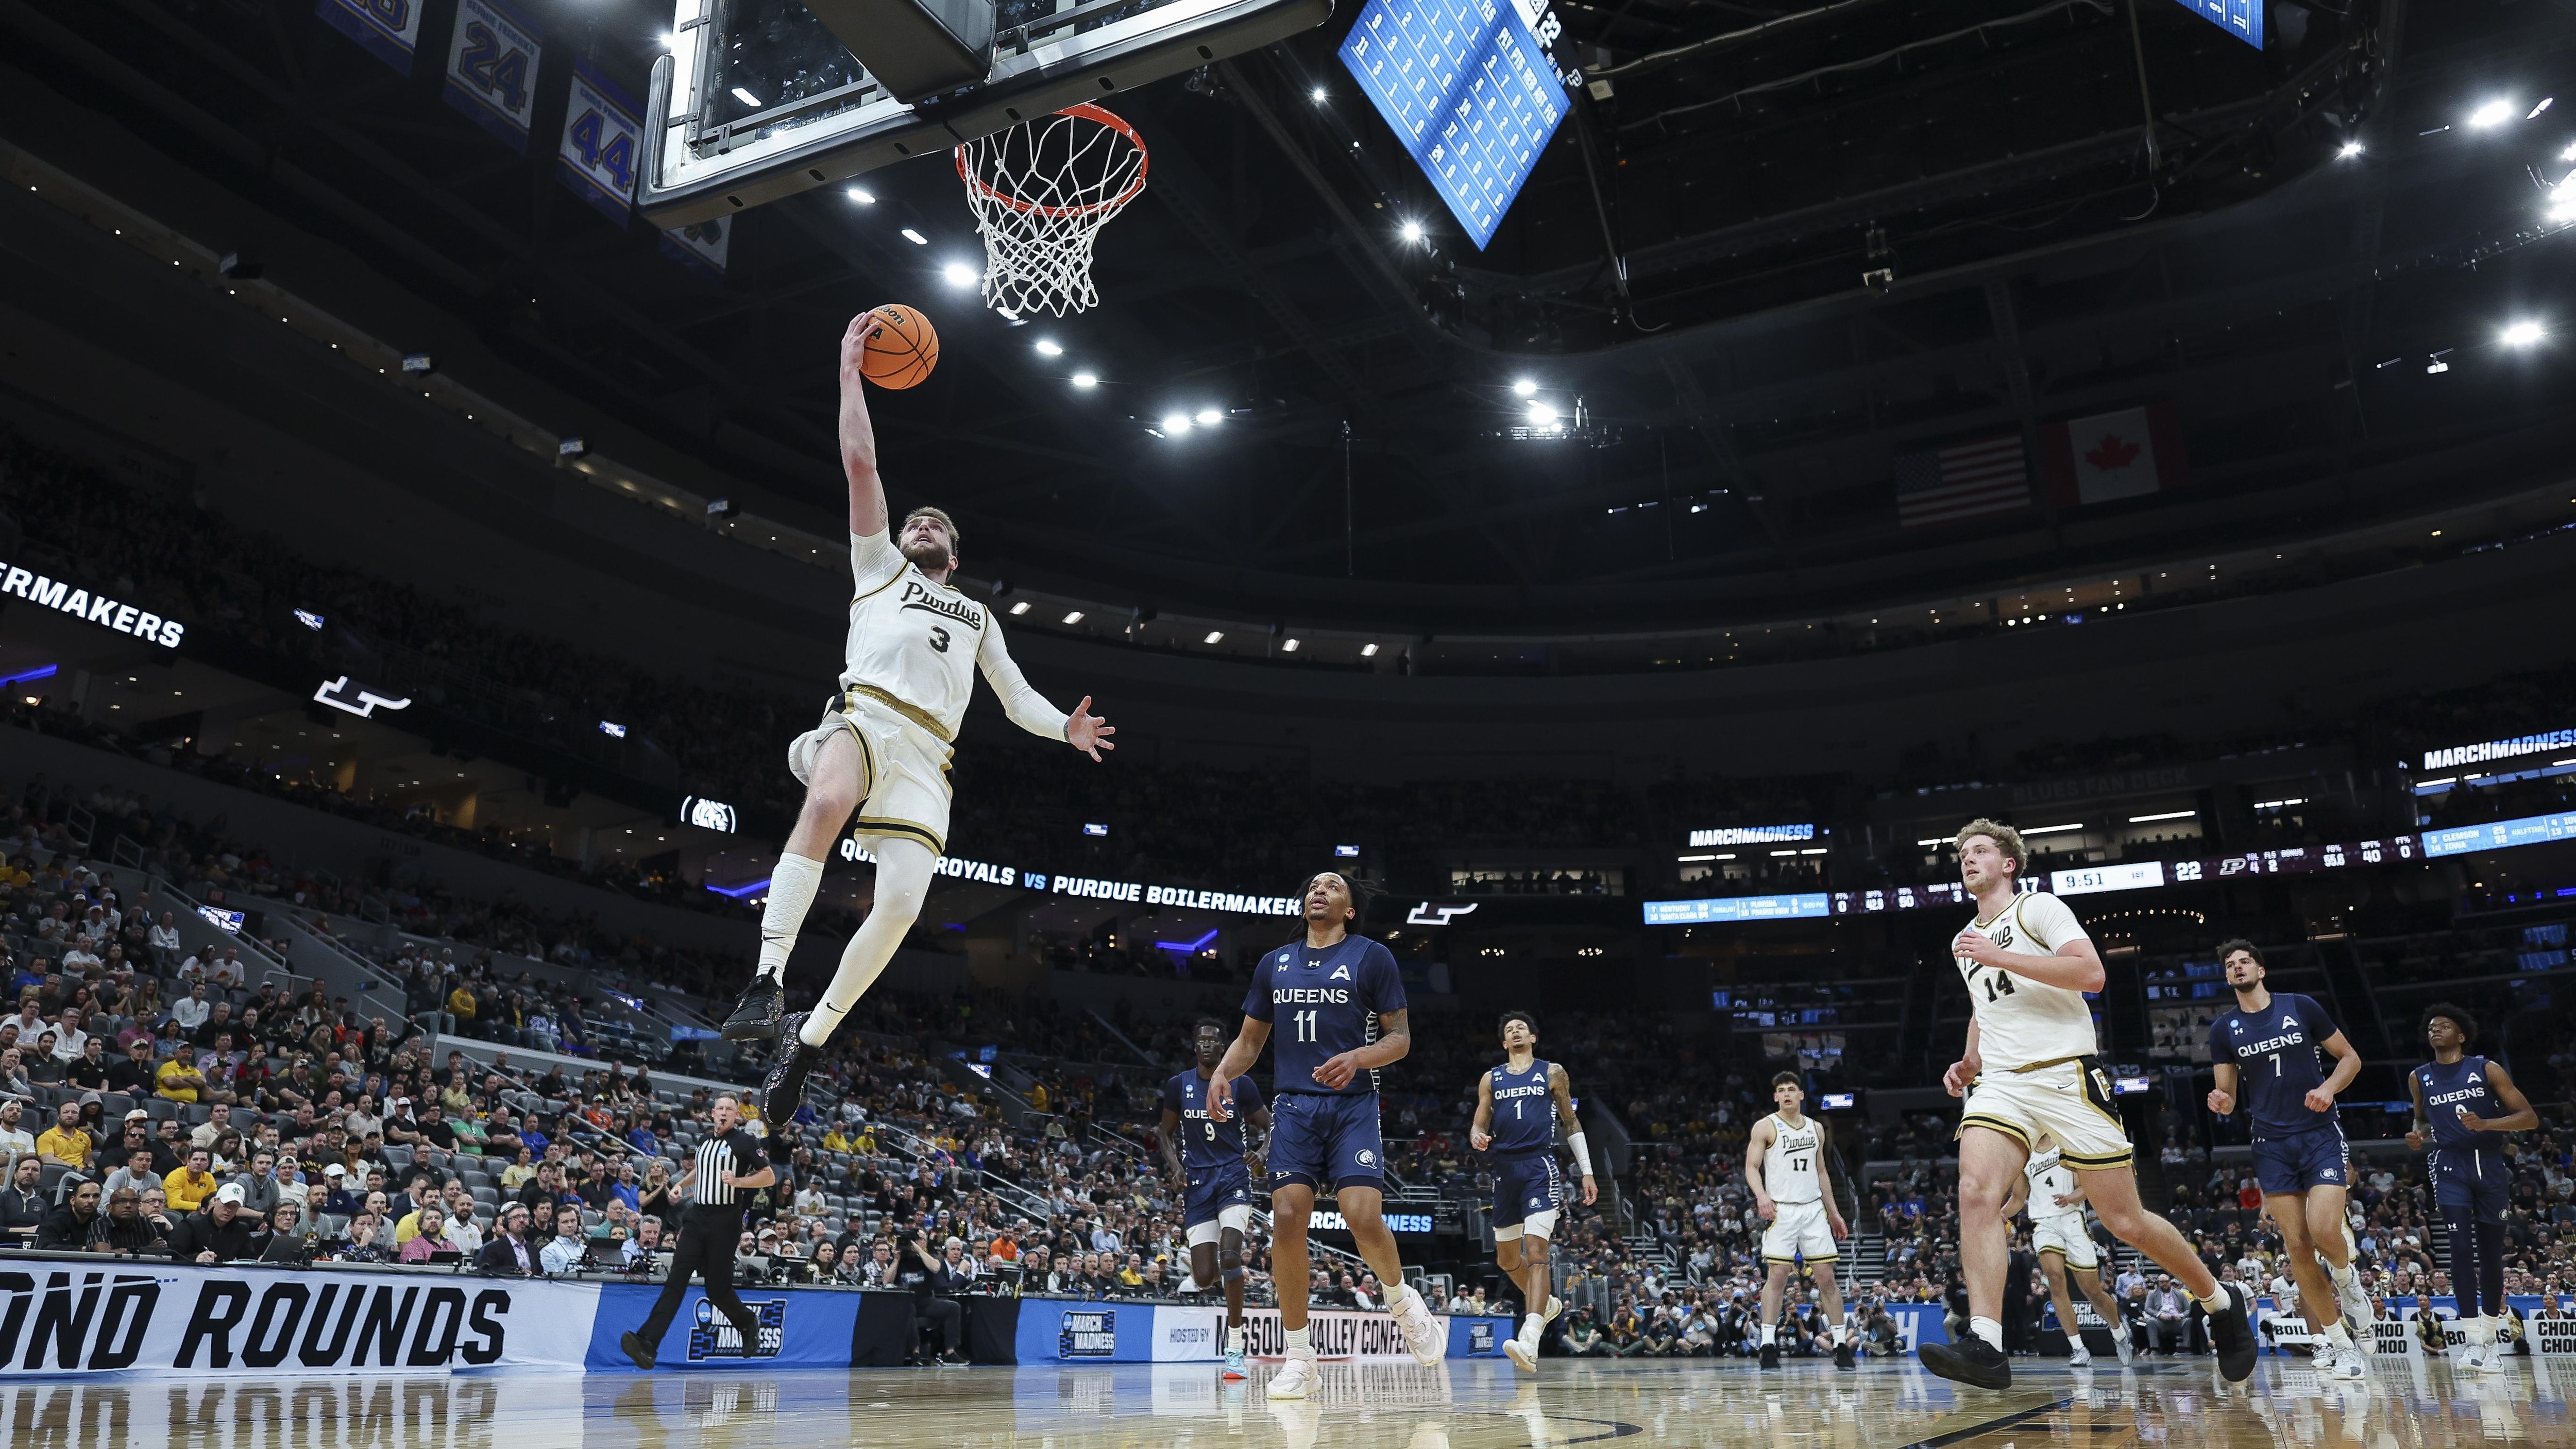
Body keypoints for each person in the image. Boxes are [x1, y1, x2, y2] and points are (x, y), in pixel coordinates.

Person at [722, 313, 1115, 1116]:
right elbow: (862, 463)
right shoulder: (879, 567)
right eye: (914, 523)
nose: (920, 525)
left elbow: (1017, 698)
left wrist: (1064, 729)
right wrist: (848, 376)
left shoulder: (978, 618)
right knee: (827, 799)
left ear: (957, 557)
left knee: (900, 906)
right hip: (865, 716)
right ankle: (766, 979)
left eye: (935, 526)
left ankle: (809, 1039)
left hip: (928, 758)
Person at [1921, 820, 2254, 1391]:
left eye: (1978, 850)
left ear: (2008, 863)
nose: (1966, 859)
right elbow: (1986, 1006)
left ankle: (2219, 1301)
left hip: (2066, 1074)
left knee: (2125, 1220)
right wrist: (1969, 1060)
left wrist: (2000, 958)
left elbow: (2090, 973)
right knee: (1975, 1191)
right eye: (1960, 853)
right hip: (2002, 1083)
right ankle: (1986, 1343)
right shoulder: (1965, 940)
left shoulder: (2038, 910)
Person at [1207, 871, 1445, 1401]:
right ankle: (1299, 1356)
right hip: (1293, 1105)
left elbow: (1400, 1037)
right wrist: (1223, 1072)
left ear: (1350, 908)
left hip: (1352, 1103)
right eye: (1314, 885)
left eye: (1333, 885)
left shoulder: (1370, 956)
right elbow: (1250, 1039)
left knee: (1362, 1217)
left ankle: (1402, 1302)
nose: (1319, 889)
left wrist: (1358, 1057)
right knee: (1288, 1217)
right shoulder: (1275, 962)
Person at [2203, 937, 2372, 1380]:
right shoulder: (2224, 1029)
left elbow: (2351, 1058)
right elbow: (2228, 1096)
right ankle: (2340, 1344)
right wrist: (2220, 1101)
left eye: (2244, 961)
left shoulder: (2301, 1006)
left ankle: (2349, 1281)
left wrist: (2329, 1088)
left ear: (2261, 969)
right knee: (2297, 1246)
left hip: (2318, 1133)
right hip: (2271, 1143)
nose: (2237, 968)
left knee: (2323, 1230)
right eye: (2230, 965)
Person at [2405, 1002, 2537, 1375]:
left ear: (2461, 1035)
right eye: (2431, 1026)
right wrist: (2418, 1134)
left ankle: (2491, 1338)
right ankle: (2472, 1340)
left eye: (2444, 1025)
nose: (2435, 1030)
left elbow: (2529, 1117)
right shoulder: (2420, 1077)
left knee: (2492, 1254)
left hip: (2490, 1165)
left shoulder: (2486, 1068)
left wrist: (2487, 1124)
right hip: (2449, 1166)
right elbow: (2421, 1117)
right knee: (2460, 1249)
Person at [1470, 1009, 1598, 1374]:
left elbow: (1570, 1121)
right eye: (1509, 1030)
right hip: (1504, 1170)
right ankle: (1548, 1303)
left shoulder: (1551, 1072)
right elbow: (1479, 1123)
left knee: (1537, 1250)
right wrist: (1476, 1137)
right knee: (1508, 1260)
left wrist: (1587, 1171)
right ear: (1503, 1041)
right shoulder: (1490, 1078)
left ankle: (1530, 1336)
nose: (1515, 1032)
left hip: (1539, 1167)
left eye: (1521, 1028)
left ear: (1533, 1037)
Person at [1158, 1016, 1273, 1379]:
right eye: (1201, 1039)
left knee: (1229, 1256)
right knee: (1205, 1276)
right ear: (1195, 1046)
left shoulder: (1242, 1083)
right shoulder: (1179, 1085)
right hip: (1197, 1184)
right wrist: (1175, 1165)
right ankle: (1228, 1286)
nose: (1207, 1044)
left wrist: (1263, 1152)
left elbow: (1270, 1125)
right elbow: (1163, 1131)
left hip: (1234, 1176)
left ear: (1224, 1047)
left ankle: (1235, 1347)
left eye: (1214, 1040)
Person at [619, 1094, 771, 1369]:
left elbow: (769, 1176)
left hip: (726, 1221)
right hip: (698, 1217)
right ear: (713, 1114)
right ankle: (648, 1343)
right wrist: (682, 1186)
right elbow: (702, 1171)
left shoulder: (745, 1142)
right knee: (676, 1279)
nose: (724, 1113)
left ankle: (747, 1321)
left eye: (729, 1110)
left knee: (717, 1290)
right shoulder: (704, 1141)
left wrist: (738, 1181)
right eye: (720, 1109)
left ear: (737, 1116)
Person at [1745, 1072, 1852, 1370]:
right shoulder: (1766, 1126)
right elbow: (1751, 1167)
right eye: (1781, 1090)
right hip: (1781, 1209)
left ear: (1802, 1095)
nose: (1787, 1094)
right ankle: (1768, 1345)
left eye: (1792, 1089)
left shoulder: (1817, 1128)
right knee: (1778, 1277)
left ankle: (1841, 1344)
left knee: (1827, 1277)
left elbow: (1821, 1172)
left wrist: (1834, 1212)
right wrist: (1761, 1196)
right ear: (1776, 1097)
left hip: (1813, 1209)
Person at [2000, 1145, 2133, 1367]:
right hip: (2044, 1224)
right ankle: (2079, 1348)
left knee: (2093, 1291)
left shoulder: (2066, 1146)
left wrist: (2071, 1198)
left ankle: (2119, 1334)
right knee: (2055, 1279)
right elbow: (2018, 1198)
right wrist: (2002, 1213)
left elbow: (2086, 1187)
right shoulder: (2025, 1156)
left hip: (2072, 1220)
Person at [168, 1183, 259, 1263]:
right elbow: (171, 1255)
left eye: (235, 1206)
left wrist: (260, 1260)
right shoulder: (190, 1225)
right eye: (226, 1204)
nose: (229, 1210)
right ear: (216, 1201)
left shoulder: (242, 1230)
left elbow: (248, 1259)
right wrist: (195, 1258)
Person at [37, 1178, 103, 1251]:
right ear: (72, 1201)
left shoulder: (100, 1221)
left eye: (96, 1196)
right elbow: (43, 1247)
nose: (91, 1201)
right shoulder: (55, 1219)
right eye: (85, 1196)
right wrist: (83, 1250)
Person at [477, 1202, 540, 1276]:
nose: (522, 1220)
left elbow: (540, 1274)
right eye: (517, 1217)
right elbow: (490, 1273)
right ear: (507, 1223)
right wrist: (519, 1273)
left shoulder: (534, 1249)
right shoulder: (493, 1249)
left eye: (525, 1216)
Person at [540, 1204, 589, 1275]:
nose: (570, 1225)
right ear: (556, 1224)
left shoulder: (585, 1249)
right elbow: (555, 1281)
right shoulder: (548, 1252)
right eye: (565, 1222)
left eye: (573, 1221)